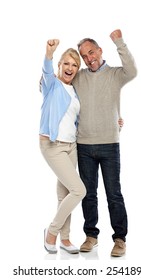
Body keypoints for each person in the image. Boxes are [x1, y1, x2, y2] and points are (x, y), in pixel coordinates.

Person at [72, 29, 137, 257]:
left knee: (114, 194)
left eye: (91, 52)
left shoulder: (115, 75)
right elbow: (58, 83)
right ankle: (91, 236)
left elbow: (132, 70)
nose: (89, 58)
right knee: (88, 194)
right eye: (85, 56)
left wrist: (119, 41)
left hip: (109, 144)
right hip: (84, 145)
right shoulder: (79, 76)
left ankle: (120, 239)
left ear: (100, 51)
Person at [39, 39, 86, 254]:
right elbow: (47, 72)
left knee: (65, 193)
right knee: (79, 190)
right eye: (66, 63)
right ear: (60, 64)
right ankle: (52, 231)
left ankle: (65, 240)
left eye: (74, 65)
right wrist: (48, 54)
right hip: (53, 145)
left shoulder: (74, 91)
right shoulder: (52, 84)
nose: (70, 68)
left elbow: (76, 119)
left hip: (71, 147)